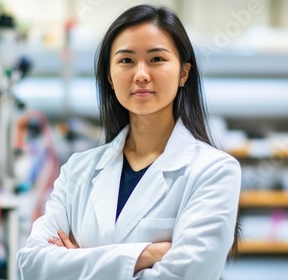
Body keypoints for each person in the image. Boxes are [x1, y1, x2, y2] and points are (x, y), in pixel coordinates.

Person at [17, 4, 241, 280]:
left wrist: (75, 261)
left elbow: (188, 275)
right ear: (110, 76)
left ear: (184, 72)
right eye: (126, 61)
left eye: (157, 59)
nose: (141, 74)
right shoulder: (79, 170)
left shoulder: (214, 171)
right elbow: (32, 263)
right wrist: (145, 255)